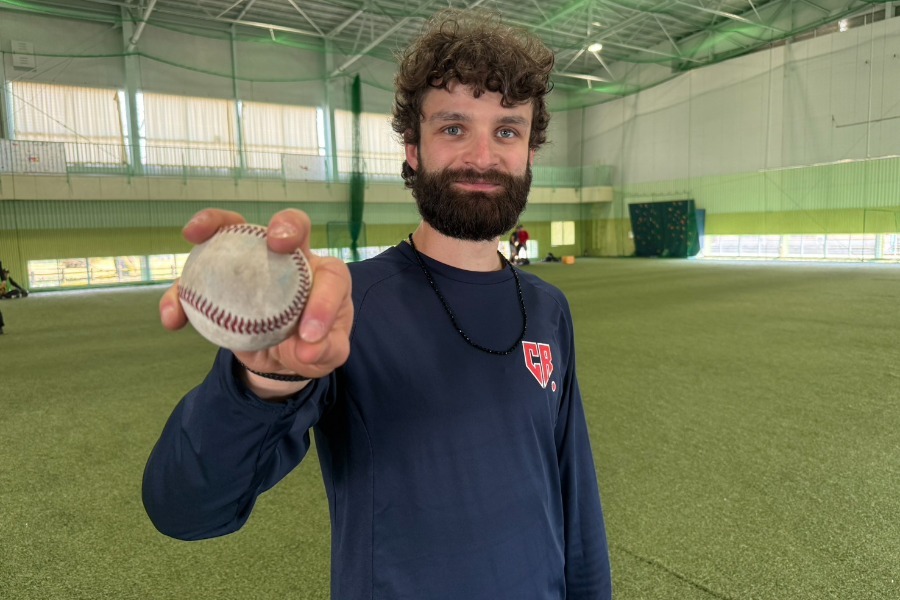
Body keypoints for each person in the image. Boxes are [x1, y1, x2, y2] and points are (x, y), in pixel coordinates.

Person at [143, 9, 612, 599]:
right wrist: (266, 376)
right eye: (453, 128)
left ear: (529, 152)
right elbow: (186, 509)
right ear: (413, 148)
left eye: (507, 130)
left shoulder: (549, 310)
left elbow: (575, 494)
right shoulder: (343, 309)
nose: (482, 156)